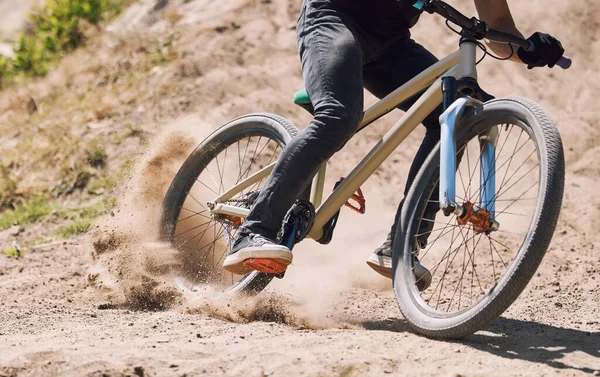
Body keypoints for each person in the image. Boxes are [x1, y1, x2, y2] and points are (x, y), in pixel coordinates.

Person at [222, 0, 564, 287]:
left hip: (390, 43)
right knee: (339, 115)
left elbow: (498, 25)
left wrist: (530, 49)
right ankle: (255, 229)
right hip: (334, 18)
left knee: (456, 114)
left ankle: (402, 246)